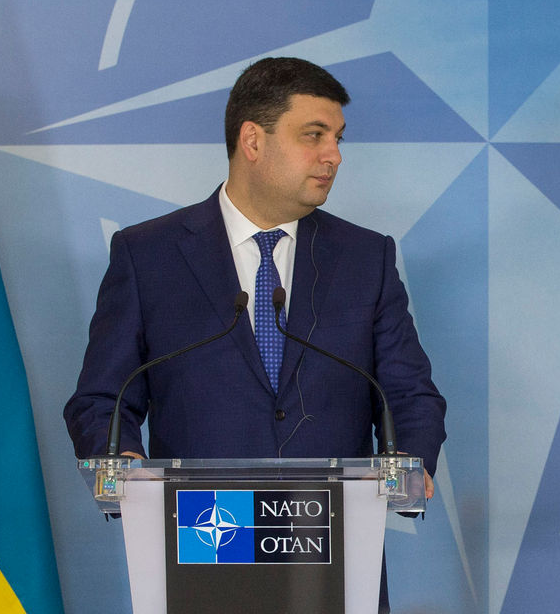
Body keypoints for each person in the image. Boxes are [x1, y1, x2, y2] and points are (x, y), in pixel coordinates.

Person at [65, 57, 446, 497]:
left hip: (331, 543)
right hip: (201, 536)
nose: (334, 156)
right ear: (252, 140)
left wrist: (405, 465)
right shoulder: (148, 255)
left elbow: (409, 395)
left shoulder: (366, 258)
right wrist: (125, 468)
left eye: (338, 139)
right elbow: (102, 399)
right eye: (314, 136)